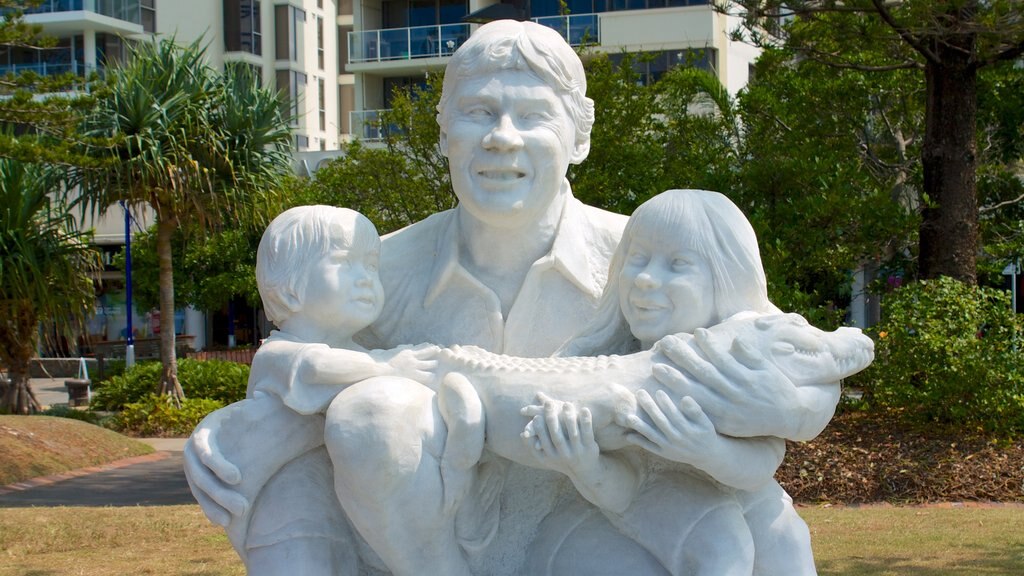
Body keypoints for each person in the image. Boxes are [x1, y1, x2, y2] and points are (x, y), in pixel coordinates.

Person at [185, 20, 843, 576]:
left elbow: (781, 354)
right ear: (444, 135)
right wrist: (236, 436)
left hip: (587, 518)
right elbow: (312, 366)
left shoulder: (647, 261)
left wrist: (787, 404)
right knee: (371, 412)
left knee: (760, 531)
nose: (502, 136)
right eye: (478, 113)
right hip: (419, 540)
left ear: (579, 137)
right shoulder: (373, 268)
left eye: (531, 116)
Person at [522, 189, 818, 575]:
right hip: (624, 504)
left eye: (677, 264)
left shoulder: (740, 363)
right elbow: (620, 489)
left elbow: (761, 464)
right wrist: (581, 462)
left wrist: (706, 448)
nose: (646, 278)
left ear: (725, 280)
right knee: (720, 551)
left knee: (786, 538)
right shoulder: (596, 363)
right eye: (637, 259)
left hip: (730, 487)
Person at [185, 206, 436, 567]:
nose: (365, 278)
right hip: (287, 518)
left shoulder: (358, 355)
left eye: (370, 265)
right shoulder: (280, 352)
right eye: (345, 263)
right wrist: (389, 366)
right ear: (289, 290)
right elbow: (319, 368)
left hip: (341, 515)